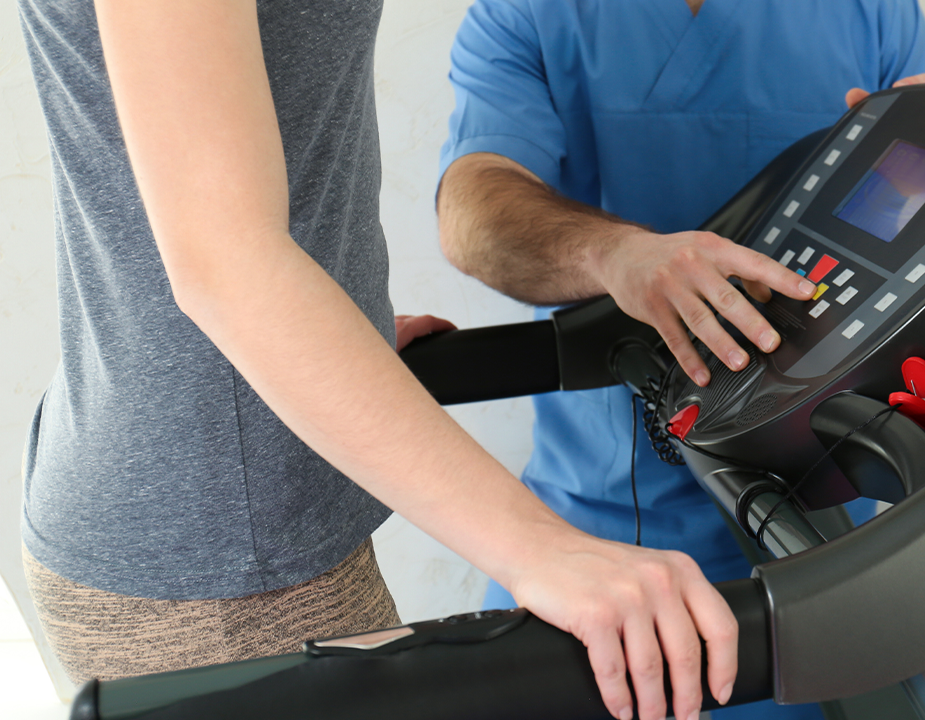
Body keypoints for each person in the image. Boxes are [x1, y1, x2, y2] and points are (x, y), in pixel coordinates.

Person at [17, 3, 746, 719]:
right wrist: (544, 551)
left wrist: (331, 332)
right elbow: (224, 263)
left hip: (250, 484)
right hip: (218, 544)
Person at [436, 1, 925, 717]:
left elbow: (923, 217)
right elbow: (474, 211)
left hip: (824, 557)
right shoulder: (530, 13)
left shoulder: (871, 13)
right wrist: (616, 253)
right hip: (591, 552)